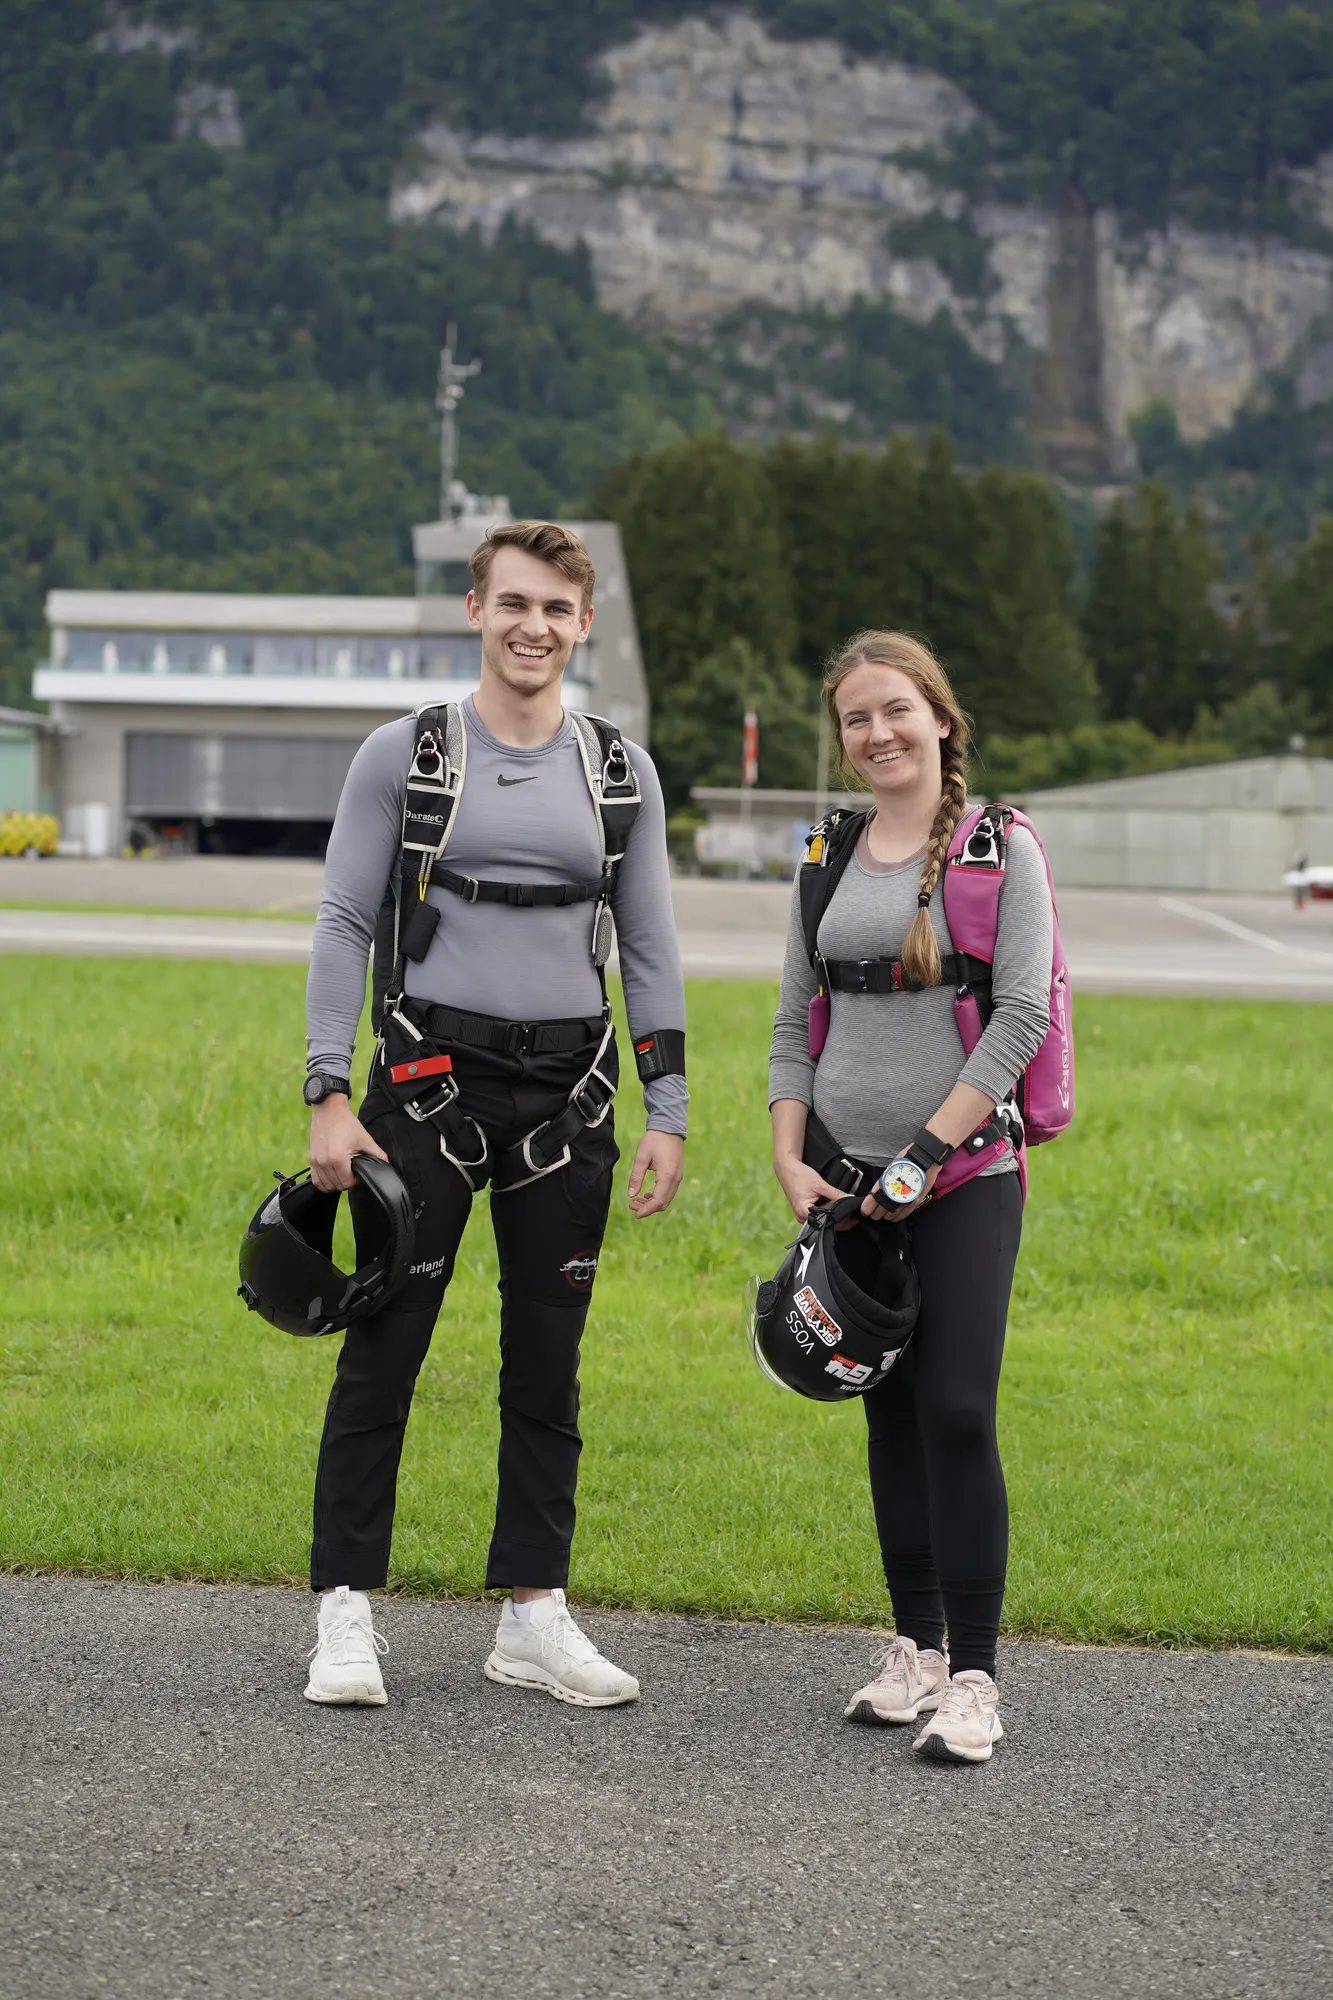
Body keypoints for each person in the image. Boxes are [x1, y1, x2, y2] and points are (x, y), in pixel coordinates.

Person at [300, 520, 686, 1710]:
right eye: (513, 602)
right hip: (424, 1089)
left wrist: (668, 1104)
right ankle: (344, 1608)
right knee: (385, 1346)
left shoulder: (618, 770)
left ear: (583, 624)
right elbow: (343, 921)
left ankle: (531, 1611)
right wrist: (326, 1090)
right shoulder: (405, 754)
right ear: (476, 609)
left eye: (556, 609)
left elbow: (649, 944)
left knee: (548, 1364)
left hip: (569, 1098)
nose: (533, 626)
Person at [768, 630, 1053, 1764]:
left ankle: (974, 1677)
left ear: (939, 716)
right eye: (856, 717)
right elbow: (793, 1021)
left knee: (956, 1411)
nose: (877, 732)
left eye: (896, 709)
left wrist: (923, 1156)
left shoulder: (1000, 846)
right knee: (885, 1413)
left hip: (965, 1173)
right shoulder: (823, 850)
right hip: (843, 1176)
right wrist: (789, 1154)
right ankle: (915, 1650)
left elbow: (1020, 1016)